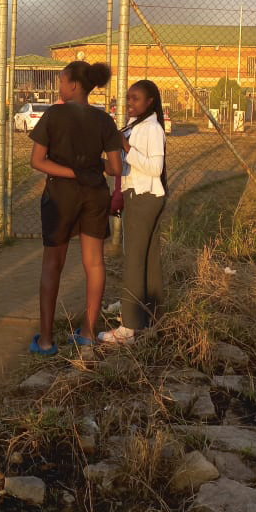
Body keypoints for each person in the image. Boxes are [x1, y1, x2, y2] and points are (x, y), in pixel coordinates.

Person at [28, 60, 123, 354]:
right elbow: (116, 167)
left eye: (61, 81)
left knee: (52, 265)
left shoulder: (53, 115)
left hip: (61, 197)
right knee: (94, 263)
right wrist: (91, 169)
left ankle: (45, 341)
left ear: (73, 85)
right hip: (95, 196)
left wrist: (73, 172)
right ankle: (87, 333)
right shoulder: (104, 119)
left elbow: (38, 161)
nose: (59, 86)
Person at [99, 79, 168, 346]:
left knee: (134, 261)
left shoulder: (151, 128)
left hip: (144, 197)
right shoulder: (137, 126)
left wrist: (126, 147)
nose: (130, 104)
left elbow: (154, 168)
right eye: (128, 99)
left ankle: (129, 328)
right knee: (149, 261)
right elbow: (128, 166)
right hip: (141, 195)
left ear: (150, 101)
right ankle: (151, 317)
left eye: (136, 99)